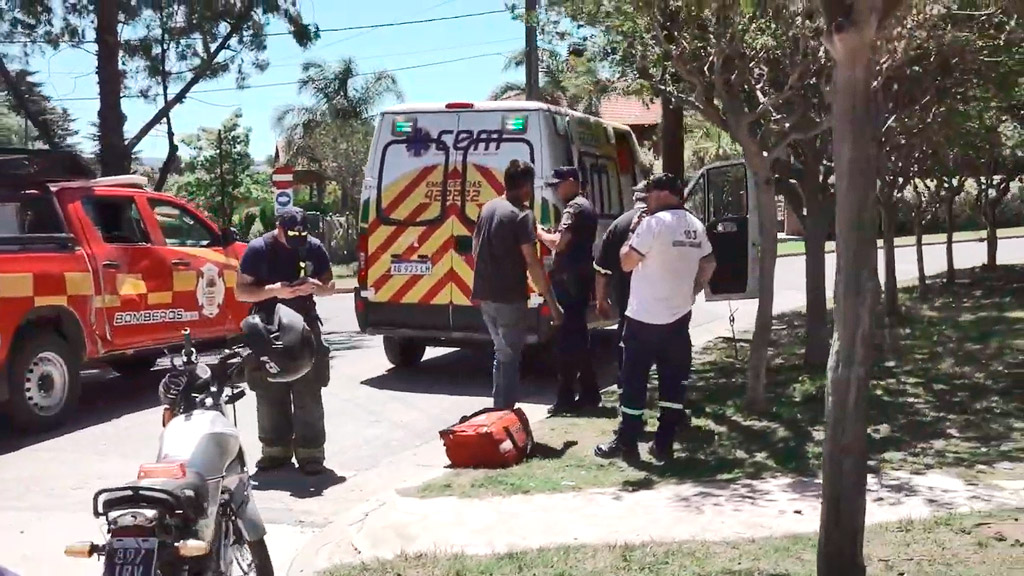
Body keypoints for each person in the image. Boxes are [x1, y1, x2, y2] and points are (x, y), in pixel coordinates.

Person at [595, 173, 717, 463]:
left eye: (649, 194)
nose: (645, 200)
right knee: (672, 384)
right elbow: (709, 262)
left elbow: (626, 263)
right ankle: (663, 444)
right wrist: (693, 290)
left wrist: (632, 233)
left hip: (642, 320)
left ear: (663, 194)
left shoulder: (651, 224)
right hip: (678, 319)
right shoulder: (694, 225)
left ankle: (627, 442)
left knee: (634, 381)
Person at [235, 207, 335, 475]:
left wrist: (315, 285)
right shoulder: (258, 249)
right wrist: (275, 290)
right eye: (290, 236)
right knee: (269, 389)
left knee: (309, 388)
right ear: (278, 228)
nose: (296, 241)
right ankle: (275, 451)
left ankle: (311, 453)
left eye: (301, 236)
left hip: (304, 322)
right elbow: (241, 291)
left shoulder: (313, 247)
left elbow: (330, 286)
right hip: (266, 324)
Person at [472, 159, 563, 410]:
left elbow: (475, 247)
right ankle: (505, 416)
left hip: (485, 296)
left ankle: (498, 412)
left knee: (501, 353)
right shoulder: (522, 215)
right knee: (510, 358)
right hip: (509, 297)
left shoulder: (488, 208)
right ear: (525, 187)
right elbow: (533, 263)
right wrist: (553, 306)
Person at [536, 166, 601, 415]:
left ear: (572, 182)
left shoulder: (575, 207)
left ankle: (566, 397)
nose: (556, 190)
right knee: (577, 338)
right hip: (577, 279)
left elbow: (560, 242)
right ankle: (589, 392)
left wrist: (539, 232)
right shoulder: (583, 206)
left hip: (571, 281)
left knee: (567, 340)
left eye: (558, 184)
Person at [593, 180, 650, 390]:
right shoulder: (665, 223)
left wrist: (601, 299)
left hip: (629, 298)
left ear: (635, 199)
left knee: (627, 339)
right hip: (662, 299)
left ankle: (626, 379)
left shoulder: (619, 224)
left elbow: (602, 270)